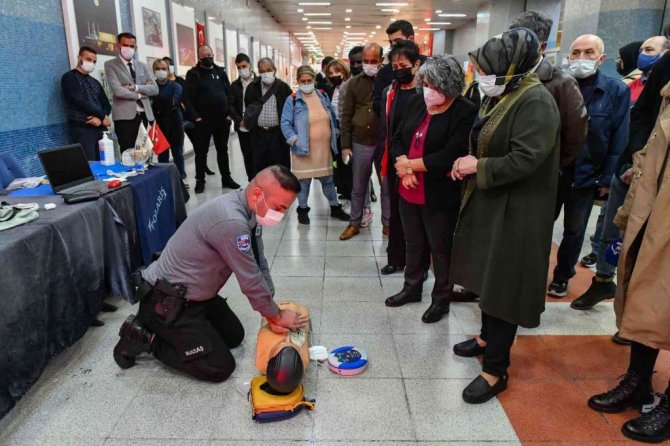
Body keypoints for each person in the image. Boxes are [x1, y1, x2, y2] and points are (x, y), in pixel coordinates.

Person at [113, 165, 309, 382]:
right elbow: (249, 278)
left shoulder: (249, 210)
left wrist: (270, 308)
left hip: (195, 295)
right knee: (220, 367)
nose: (280, 215)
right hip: (167, 301)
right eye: (279, 208)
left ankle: (183, 332)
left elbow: (258, 260)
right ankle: (145, 337)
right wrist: (277, 315)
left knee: (234, 336)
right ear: (257, 194)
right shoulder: (232, 222)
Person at [450, 28, 560, 404]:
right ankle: (485, 339)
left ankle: (496, 370)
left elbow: (527, 158)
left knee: (504, 288)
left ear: (510, 66)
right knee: (488, 277)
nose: (480, 76)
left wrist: (477, 166)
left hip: (518, 212)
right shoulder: (503, 93)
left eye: (486, 69)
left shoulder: (536, 101)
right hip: (495, 202)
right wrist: (470, 161)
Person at [586, 83, 670, 443]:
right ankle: (638, 382)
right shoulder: (667, 93)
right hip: (654, 211)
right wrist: (629, 209)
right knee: (645, 299)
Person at [384, 55, 477, 325]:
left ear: (449, 85)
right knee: (413, 242)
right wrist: (403, 167)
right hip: (408, 187)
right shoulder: (417, 102)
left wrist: (410, 166)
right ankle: (412, 287)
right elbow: (397, 137)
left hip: (439, 191)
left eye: (434, 86)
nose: (428, 90)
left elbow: (452, 153)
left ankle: (441, 299)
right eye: (425, 83)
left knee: (440, 247)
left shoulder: (464, 110)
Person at [548, 34, 630, 301]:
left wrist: (606, 178)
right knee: (541, 225)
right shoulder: (557, 86)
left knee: (574, 230)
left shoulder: (615, 91)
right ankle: (534, 270)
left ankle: (562, 276)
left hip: (587, 174)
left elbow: (619, 137)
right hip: (553, 172)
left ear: (601, 58)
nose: (581, 58)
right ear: (568, 56)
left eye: (589, 52)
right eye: (576, 52)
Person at [280, 65, 349, 224]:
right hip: (303, 148)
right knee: (304, 181)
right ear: (298, 81)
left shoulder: (322, 95)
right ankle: (303, 209)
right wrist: (294, 139)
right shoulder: (292, 100)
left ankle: (335, 207)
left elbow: (331, 116)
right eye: (303, 81)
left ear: (314, 80)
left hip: (324, 148)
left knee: (328, 180)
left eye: (309, 80)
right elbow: (285, 123)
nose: (306, 83)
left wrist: (335, 132)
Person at [378, 40, 423, 276]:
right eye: (394, 67)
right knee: (395, 212)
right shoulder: (390, 92)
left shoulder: (426, 91)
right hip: (396, 158)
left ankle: (419, 264)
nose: (399, 71)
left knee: (417, 216)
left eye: (403, 66)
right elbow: (387, 128)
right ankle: (395, 258)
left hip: (420, 160)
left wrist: (412, 164)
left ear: (416, 65)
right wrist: (398, 160)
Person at [339, 43, 388, 240]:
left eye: (373, 61)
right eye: (365, 61)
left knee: (386, 185)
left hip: (384, 141)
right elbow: (346, 115)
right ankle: (354, 223)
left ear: (381, 60)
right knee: (358, 186)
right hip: (360, 141)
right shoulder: (354, 84)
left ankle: (388, 224)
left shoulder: (389, 81)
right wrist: (345, 145)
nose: (368, 65)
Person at [184, 45, 240, 194]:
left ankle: (226, 178)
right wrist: (195, 116)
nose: (207, 58)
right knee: (201, 152)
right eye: (204, 56)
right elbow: (187, 98)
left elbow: (229, 93)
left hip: (222, 119)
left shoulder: (220, 72)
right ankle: (200, 180)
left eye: (209, 55)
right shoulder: (193, 74)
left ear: (213, 54)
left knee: (223, 150)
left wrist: (229, 112)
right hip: (202, 121)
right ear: (199, 57)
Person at [104, 32, 158, 152]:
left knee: (143, 151)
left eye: (132, 46)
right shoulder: (110, 65)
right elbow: (118, 90)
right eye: (125, 45)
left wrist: (134, 87)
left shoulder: (142, 66)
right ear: (118, 45)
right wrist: (139, 94)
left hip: (144, 114)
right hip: (124, 117)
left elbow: (154, 89)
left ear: (135, 48)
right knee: (128, 152)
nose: (128, 48)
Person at [244, 57, 293, 175]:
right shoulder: (252, 87)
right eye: (262, 71)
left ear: (274, 70)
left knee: (281, 169)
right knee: (259, 169)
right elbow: (248, 108)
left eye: (268, 70)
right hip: (259, 135)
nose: (265, 73)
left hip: (278, 135)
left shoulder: (284, 88)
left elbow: (291, 111)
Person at [61, 46, 111, 161]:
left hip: (99, 128)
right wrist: (102, 116)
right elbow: (78, 100)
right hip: (82, 128)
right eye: (88, 59)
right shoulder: (69, 77)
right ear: (79, 58)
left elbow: (106, 105)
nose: (91, 63)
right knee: (89, 163)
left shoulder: (95, 82)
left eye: (94, 61)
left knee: (105, 161)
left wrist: (100, 120)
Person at [372, 20, 427, 117]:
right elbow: (377, 104)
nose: (393, 45)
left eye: (397, 41)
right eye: (391, 42)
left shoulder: (430, 66)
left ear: (411, 39)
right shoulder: (384, 73)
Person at [150, 59, 185, 179]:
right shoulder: (151, 87)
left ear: (168, 70)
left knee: (177, 153)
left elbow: (173, 102)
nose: (161, 71)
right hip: (159, 124)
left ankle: (180, 178)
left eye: (163, 68)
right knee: (162, 154)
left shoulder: (176, 86)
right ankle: (164, 179)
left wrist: (156, 100)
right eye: (157, 69)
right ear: (153, 71)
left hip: (175, 122)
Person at [327, 58, 354, 200]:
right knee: (339, 162)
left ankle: (354, 191)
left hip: (348, 128)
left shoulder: (350, 86)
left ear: (344, 71)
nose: (334, 75)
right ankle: (345, 189)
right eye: (331, 73)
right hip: (336, 129)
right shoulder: (332, 89)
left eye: (337, 71)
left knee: (350, 162)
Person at [228, 53, 257, 182]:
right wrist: (239, 120)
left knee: (259, 155)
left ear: (249, 64)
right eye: (239, 67)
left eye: (244, 66)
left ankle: (261, 181)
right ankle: (252, 181)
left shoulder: (259, 82)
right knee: (247, 155)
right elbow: (230, 105)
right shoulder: (234, 85)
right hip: (242, 126)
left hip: (257, 126)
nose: (241, 69)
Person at [628, 36, 670, 103]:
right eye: (640, 51)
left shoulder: (667, 86)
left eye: (648, 50)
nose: (642, 54)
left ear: (665, 54)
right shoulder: (631, 85)